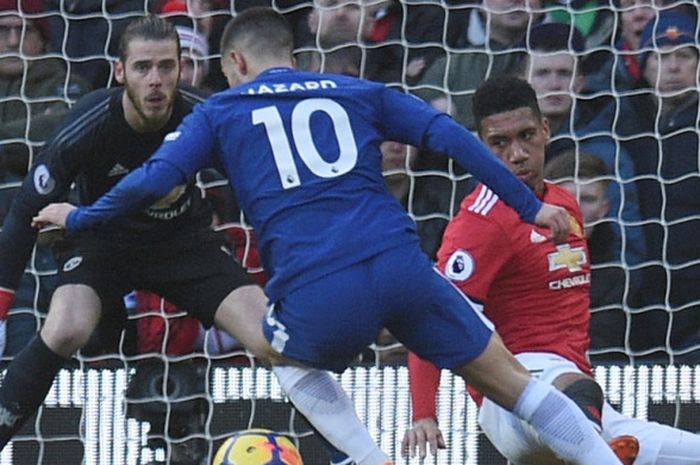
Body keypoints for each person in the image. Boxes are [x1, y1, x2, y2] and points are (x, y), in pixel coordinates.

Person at [35, 8, 629, 465]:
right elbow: (451, 136)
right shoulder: (357, 92)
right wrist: (527, 205)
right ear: (293, 56)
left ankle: (366, 459)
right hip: (404, 270)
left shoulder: (221, 110)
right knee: (516, 387)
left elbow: (153, 180)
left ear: (235, 64)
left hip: (321, 291)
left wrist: (80, 218)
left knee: (278, 353)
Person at [0, 17, 384, 465]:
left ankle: (360, 457)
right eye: (143, 68)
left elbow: (262, 182)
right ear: (120, 72)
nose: (157, 80)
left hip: (182, 242)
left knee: (275, 340)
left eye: (167, 66)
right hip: (100, 245)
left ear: (184, 69)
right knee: (66, 326)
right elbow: (25, 211)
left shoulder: (207, 115)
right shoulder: (88, 122)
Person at [402, 76, 700, 465]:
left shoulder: (564, 205)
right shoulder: (481, 223)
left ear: (545, 130)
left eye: (526, 135)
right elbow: (432, 314)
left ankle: (590, 445)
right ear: (480, 147)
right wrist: (424, 412)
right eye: (500, 143)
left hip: (580, 396)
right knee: (572, 400)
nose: (518, 153)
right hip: (511, 394)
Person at [544, 150, 632, 358]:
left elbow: (605, 350)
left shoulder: (616, 277)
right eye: (566, 198)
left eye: (587, 199)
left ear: (603, 209)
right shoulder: (517, 262)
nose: (575, 209)